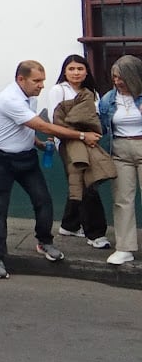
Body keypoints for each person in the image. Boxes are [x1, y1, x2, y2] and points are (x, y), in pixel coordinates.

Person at [0, 61, 99, 279]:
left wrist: (37, 144)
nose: (41, 86)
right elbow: (43, 126)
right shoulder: (9, 99)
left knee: (43, 200)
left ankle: (44, 242)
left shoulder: (30, 95)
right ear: (20, 79)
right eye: (37, 81)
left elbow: (23, 128)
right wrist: (83, 136)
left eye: (42, 80)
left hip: (26, 158)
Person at [49, 55, 114, 249]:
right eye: (71, 69)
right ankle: (96, 233)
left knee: (78, 181)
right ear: (64, 71)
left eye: (80, 68)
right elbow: (56, 121)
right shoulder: (58, 90)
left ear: (86, 71)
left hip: (90, 142)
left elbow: (98, 117)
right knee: (88, 182)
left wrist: (92, 135)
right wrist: (82, 135)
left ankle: (70, 225)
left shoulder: (92, 92)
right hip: (69, 143)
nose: (76, 72)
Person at [101, 56, 142, 265]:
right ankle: (125, 248)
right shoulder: (108, 99)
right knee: (122, 200)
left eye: (122, 77)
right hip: (119, 150)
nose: (118, 81)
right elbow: (101, 127)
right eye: (115, 77)